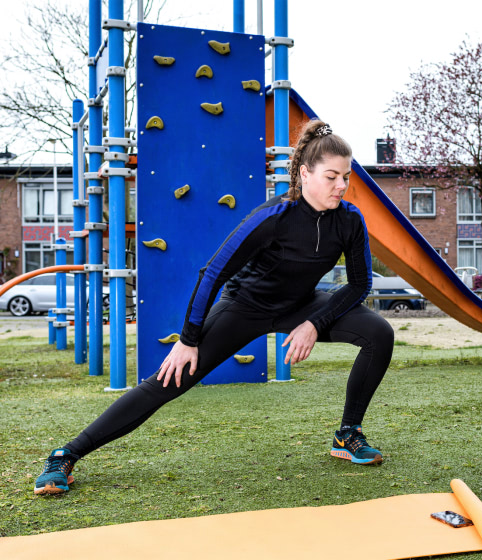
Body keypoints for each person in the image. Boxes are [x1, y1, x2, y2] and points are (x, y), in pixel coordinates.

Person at [34, 120, 395, 495]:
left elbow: (359, 283)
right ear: (305, 174)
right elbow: (213, 274)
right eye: (332, 176)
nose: (341, 185)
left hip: (301, 305)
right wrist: (188, 340)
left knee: (379, 333)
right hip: (245, 306)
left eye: (346, 177)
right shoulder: (272, 218)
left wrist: (314, 324)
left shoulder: (350, 220)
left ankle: (348, 434)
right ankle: (65, 455)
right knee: (168, 381)